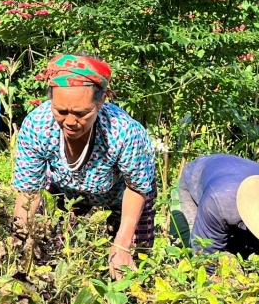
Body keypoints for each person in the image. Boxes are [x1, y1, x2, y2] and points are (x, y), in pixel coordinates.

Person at [11, 54, 156, 280]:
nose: (70, 121)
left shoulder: (124, 132)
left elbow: (137, 187)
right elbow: (29, 190)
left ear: (100, 103)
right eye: (61, 111)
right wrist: (19, 240)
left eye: (81, 113)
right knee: (55, 254)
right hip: (67, 192)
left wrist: (123, 245)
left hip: (122, 194)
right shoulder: (37, 126)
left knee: (132, 258)